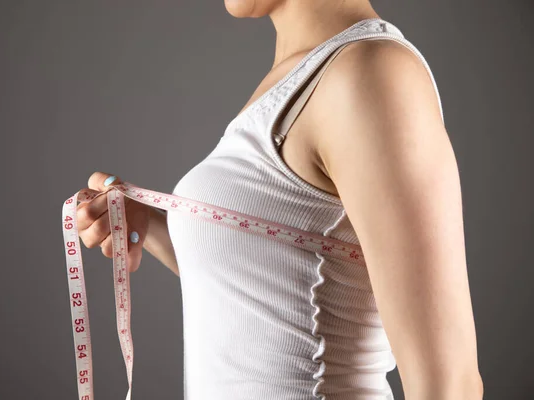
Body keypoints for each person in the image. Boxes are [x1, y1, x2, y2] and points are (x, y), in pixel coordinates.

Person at [76, 0, 483, 398]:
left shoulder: (370, 74)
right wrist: (152, 223)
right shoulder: (297, 79)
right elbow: (271, 285)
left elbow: (449, 385)